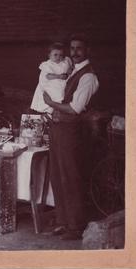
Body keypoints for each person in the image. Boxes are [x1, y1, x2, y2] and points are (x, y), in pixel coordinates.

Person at [43, 34, 99, 240]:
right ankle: (63, 221)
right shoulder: (71, 70)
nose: (75, 51)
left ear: (87, 51)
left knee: (71, 177)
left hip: (72, 132)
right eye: (72, 48)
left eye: (79, 48)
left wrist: (51, 103)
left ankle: (75, 226)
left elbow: (75, 108)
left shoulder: (87, 76)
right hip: (58, 128)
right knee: (57, 176)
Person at [30, 42, 73, 114]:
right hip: (52, 83)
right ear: (49, 55)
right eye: (55, 55)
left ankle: (57, 109)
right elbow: (48, 76)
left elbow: (71, 67)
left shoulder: (65, 61)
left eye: (60, 55)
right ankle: (49, 110)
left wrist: (69, 71)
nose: (58, 57)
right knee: (53, 95)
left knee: (63, 95)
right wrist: (58, 76)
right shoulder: (48, 64)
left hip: (62, 84)